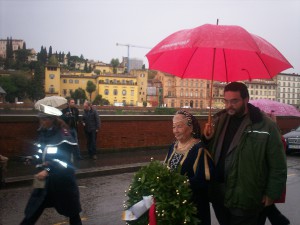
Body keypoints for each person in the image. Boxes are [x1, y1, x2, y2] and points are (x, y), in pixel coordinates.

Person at [203, 82, 287, 225]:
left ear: (246, 99)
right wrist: (207, 138)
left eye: (234, 101)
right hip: (219, 193)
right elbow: (208, 154)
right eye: (226, 101)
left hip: (247, 195)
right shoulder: (218, 120)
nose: (229, 105)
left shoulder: (265, 125)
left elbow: (278, 164)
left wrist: (272, 193)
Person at [20, 104, 82, 225]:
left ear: (51, 120)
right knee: (34, 209)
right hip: (46, 181)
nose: (41, 122)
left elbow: (65, 161)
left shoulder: (63, 135)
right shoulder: (44, 133)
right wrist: (32, 158)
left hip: (62, 181)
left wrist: (47, 170)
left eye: (43, 119)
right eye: (40, 119)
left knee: (72, 212)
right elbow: (42, 153)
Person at [164, 110, 214, 225]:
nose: (175, 131)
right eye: (173, 127)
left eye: (179, 126)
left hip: (193, 208)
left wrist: (179, 184)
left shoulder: (198, 149)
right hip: (174, 205)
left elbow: (202, 181)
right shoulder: (173, 146)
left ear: (191, 128)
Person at [257, 111, 290, 225]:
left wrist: (274, 125)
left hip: (266, 181)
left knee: (263, 210)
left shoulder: (273, 133)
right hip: (263, 181)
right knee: (268, 210)